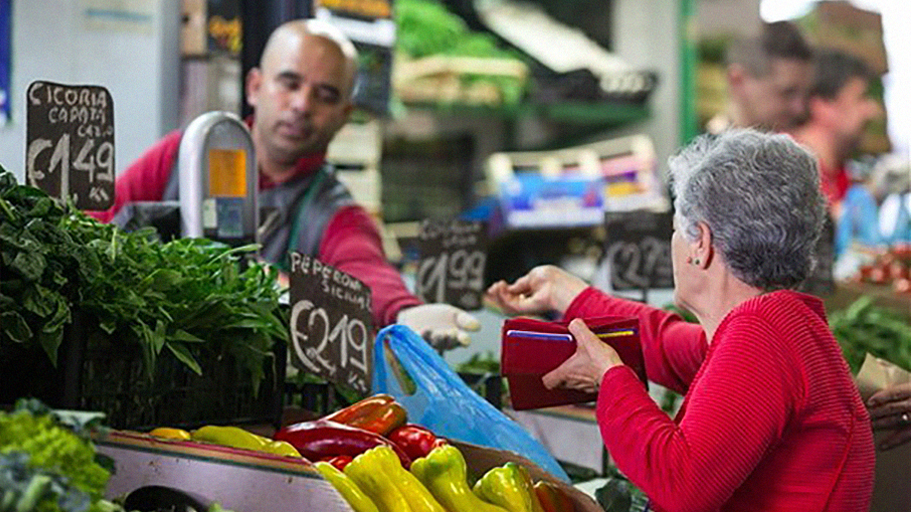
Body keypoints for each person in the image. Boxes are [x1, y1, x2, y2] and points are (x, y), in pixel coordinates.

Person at [487, 129, 874, 511]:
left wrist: (611, 379)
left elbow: (680, 486)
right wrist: (567, 293)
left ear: (700, 245)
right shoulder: (782, 326)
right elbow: (663, 343)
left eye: (676, 229)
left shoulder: (762, 334)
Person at [88, 19, 478, 347]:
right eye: (289, 83)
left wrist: (403, 311)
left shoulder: (337, 214)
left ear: (344, 116)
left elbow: (363, 269)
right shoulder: (185, 153)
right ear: (255, 87)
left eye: (324, 95)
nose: (302, 105)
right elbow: (99, 219)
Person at [791, 49, 882, 215]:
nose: (872, 110)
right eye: (861, 98)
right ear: (823, 106)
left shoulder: (837, 175)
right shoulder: (789, 177)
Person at [706, 21, 813, 134]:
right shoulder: (700, 148)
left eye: (806, 94)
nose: (799, 108)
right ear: (737, 80)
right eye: (787, 93)